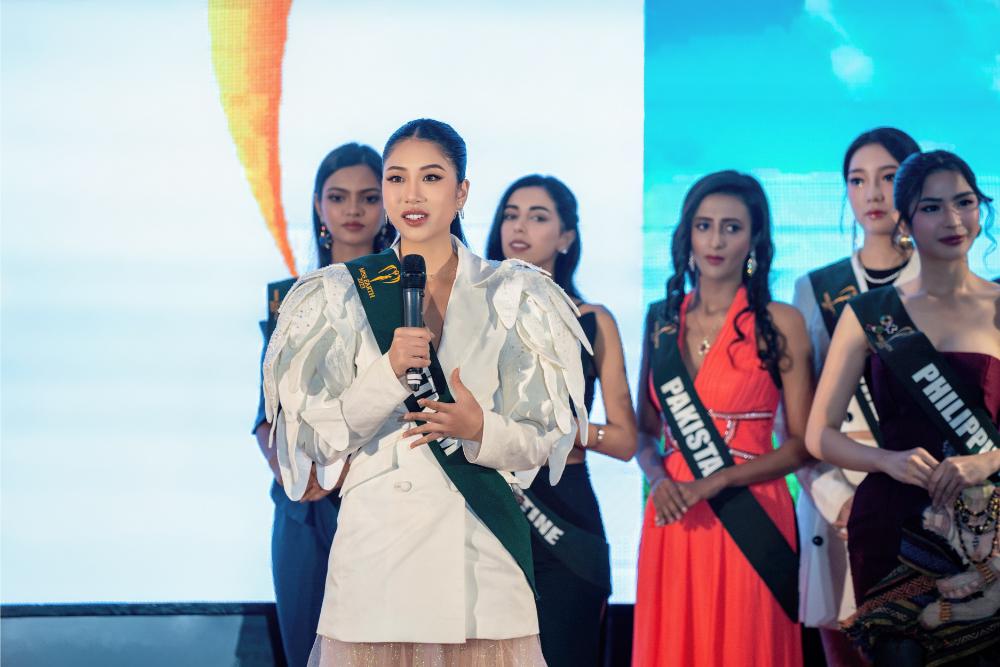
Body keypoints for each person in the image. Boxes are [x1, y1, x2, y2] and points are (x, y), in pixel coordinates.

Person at [263, 119, 591, 666]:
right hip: (377, 562)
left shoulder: (512, 293)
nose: (411, 195)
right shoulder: (338, 294)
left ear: (461, 192)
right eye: (397, 178)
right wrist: (386, 374)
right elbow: (317, 441)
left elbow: (541, 439)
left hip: (480, 563)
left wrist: (480, 429)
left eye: (431, 177)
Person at [805, 150, 1000, 666]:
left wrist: (987, 460)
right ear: (906, 221)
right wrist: (885, 460)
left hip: (989, 531)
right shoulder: (873, 313)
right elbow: (819, 434)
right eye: (932, 207)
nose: (953, 219)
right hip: (892, 526)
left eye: (964, 202)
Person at [632, 171, 813, 667]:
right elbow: (645, 431)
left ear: (754, 239)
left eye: (731, 228)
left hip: (750, 509)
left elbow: (802, 445)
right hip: (674, 511)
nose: (715, 241)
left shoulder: (781, 322)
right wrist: (658, 479)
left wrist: (716, 482)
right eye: (704, 225)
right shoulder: (661, 320)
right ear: (687, 234)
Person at [485, 175, 637, 666]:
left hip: (566, 511)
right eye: (511, 214)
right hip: (492, 506)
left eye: (538, 216)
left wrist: (568, 429)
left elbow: (625, 440)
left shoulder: (593, 320)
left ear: (566, 236)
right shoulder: (472, 313)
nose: (519, 226)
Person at [250, 142, 392, 667]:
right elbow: (265, 418)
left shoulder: (407, 292)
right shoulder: (288, 298)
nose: (353, 209)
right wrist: (296, 473)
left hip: (382, 503)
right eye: (338, 197)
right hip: (304, 509)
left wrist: (345, 471)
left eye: (368, 197)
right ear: (318, 205)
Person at [792, 127, 920, 666]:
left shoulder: (945, 284)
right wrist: (837, 500)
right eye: (857, 180)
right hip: (836, 495)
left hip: (923, 496)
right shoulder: (816, 289)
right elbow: (797, 414)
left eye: (889, 177)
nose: (873, 193)